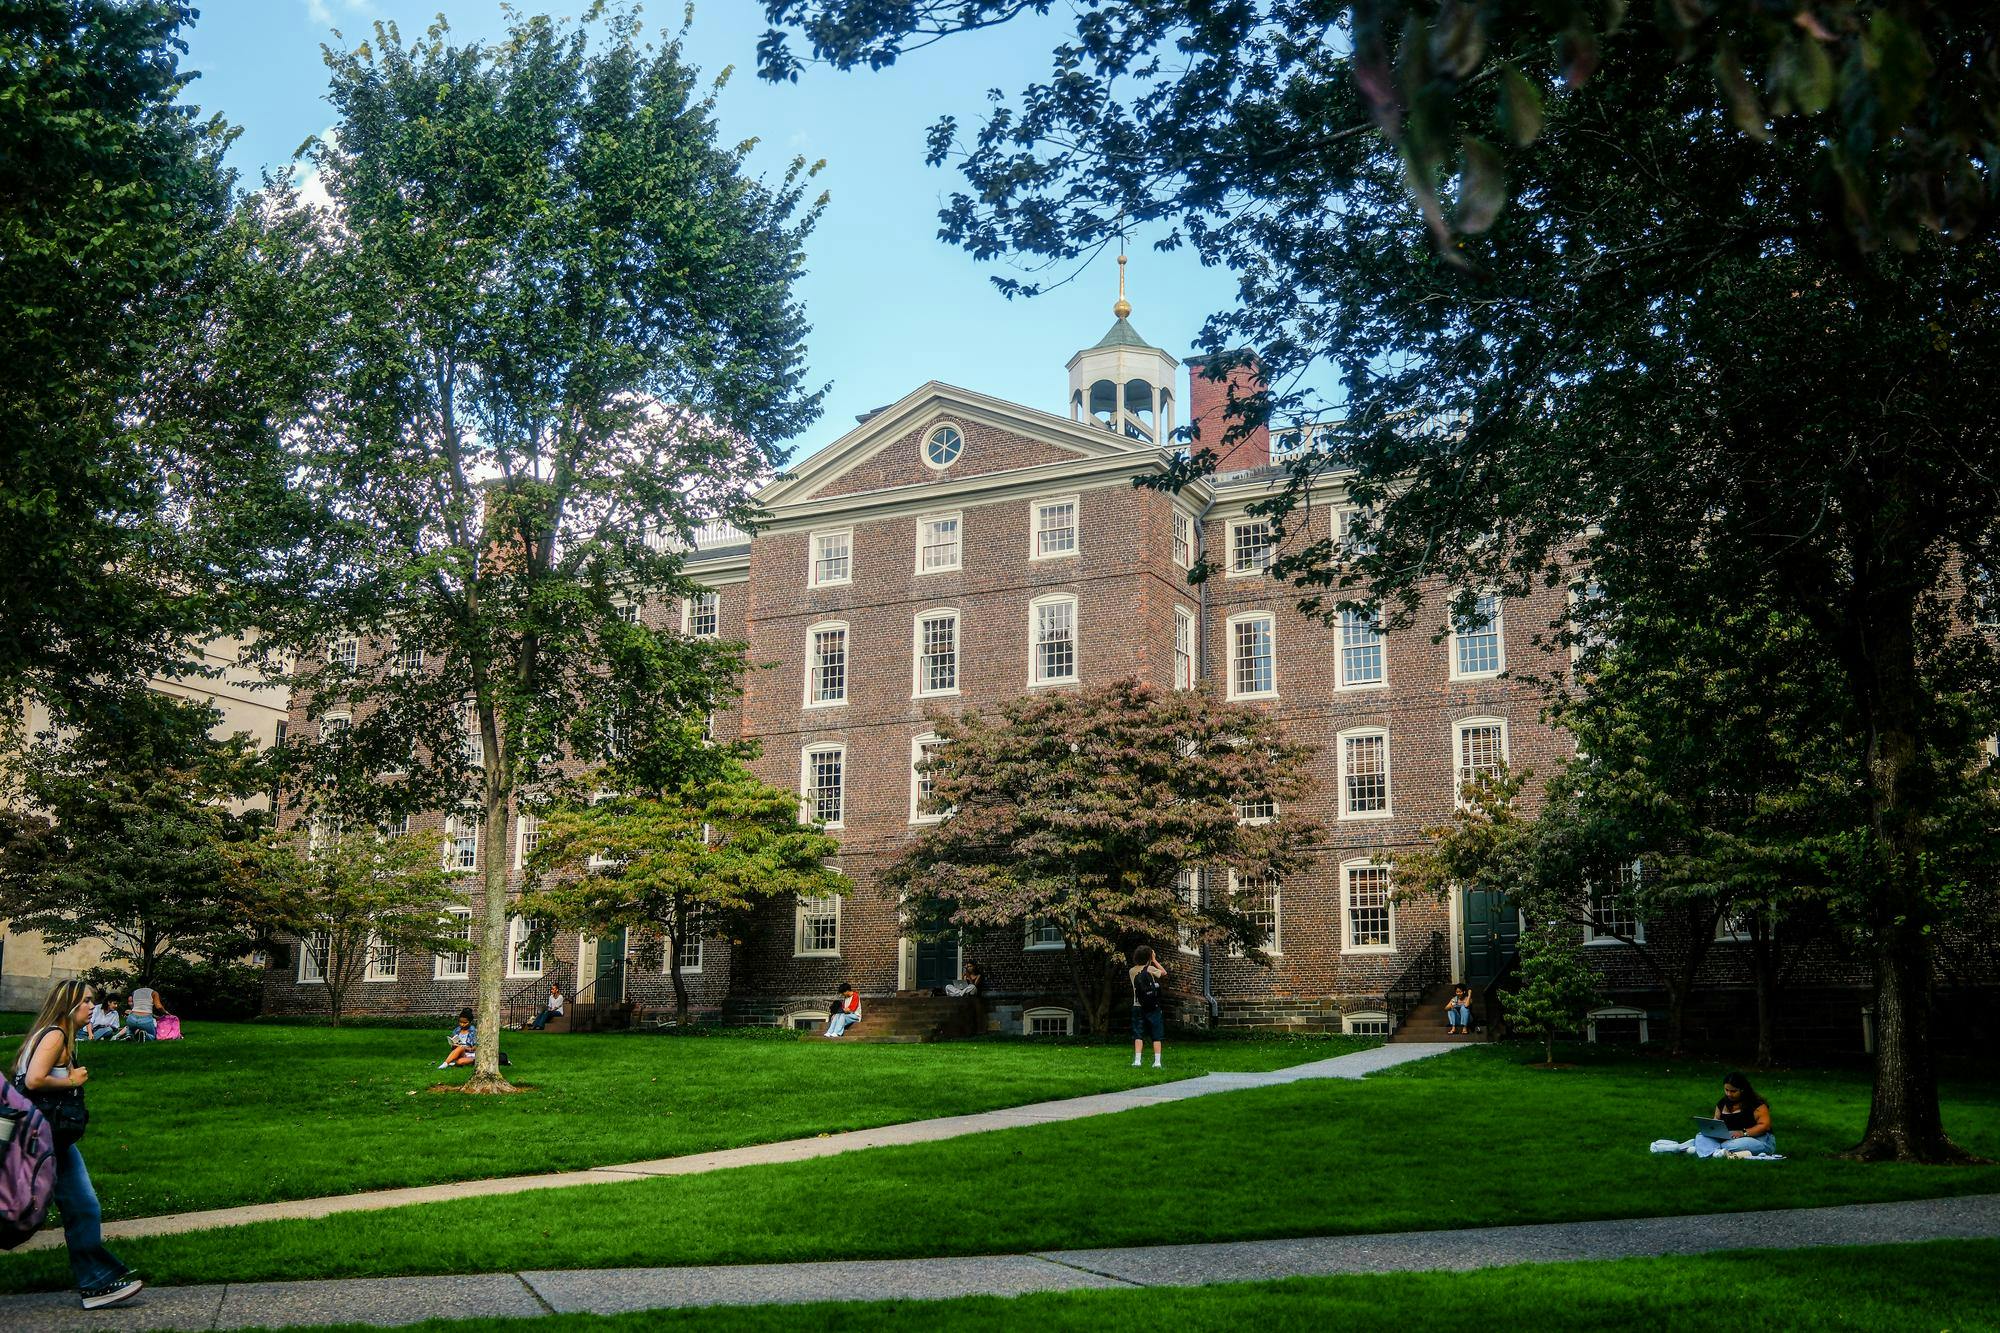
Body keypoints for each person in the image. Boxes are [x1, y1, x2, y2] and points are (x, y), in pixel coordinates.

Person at [14, 980, 144, 1310]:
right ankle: (97, 1282)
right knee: (79, 1206)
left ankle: (97, 1280)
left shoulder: (56, 1034)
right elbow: (33, 1080)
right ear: (69, 1005)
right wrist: (71, 1080)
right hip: (45, 1138)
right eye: (86, 1001)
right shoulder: (55, 1035)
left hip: (45, 1137)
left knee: (78, 1206)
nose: (91, 1006)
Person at [1711, 1071, 1777, 1155]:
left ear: (1742, 1090)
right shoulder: (1722, 1103)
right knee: (1701, 1135)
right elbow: (1716, 1121)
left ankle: (1707, 1149)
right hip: (1729, 1138)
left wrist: (1743, 1133)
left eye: (1733, 1091)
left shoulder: (1756, 1105)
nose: (1728, 1094)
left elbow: (1764, 1126)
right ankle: (1716, 1151)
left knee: (1728, 1145)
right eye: (1726, 1090)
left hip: (1759, 1140)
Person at [1129, 945, 1167, 1068]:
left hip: (1137, 1005)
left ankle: (1137, 1061)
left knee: (1138, 1033)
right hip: (1152, 1006)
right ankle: (1157, 1062)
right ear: (1148, 957)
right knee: (1156, 1033)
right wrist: (1154, 960)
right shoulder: (1150, 969)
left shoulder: (1132, 971)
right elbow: (1164, 973)